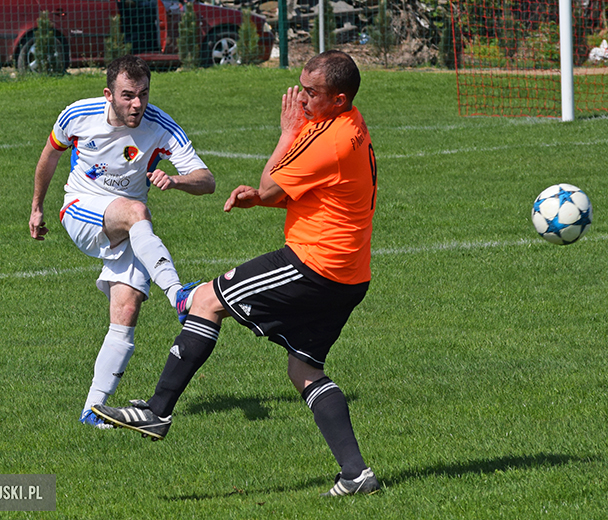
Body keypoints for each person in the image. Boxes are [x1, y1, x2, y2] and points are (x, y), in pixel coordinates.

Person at [93, 50, 380, 497]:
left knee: (206, 299)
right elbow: (300, 192)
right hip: (349, 275)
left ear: (339, 99)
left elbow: (272, 180)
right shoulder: (348, 122)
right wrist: (260, 199)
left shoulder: (333, 139)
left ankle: (158, 410)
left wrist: (286, 135)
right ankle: (356, 474)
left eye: (312, 93)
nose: (302, 99)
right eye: (301, 87)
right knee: (304, 369)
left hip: (314, 264)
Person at [29, 55, 215, 430]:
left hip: (130, 225)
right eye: (128, 95)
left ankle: (92, 411)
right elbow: (50, 154)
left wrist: (177, 181)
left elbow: (206, 180)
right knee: (135, 211)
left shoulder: (160, 126)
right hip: (80, 209)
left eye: (143, 95)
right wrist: (36, 208)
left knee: (126, 311)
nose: (137, 105)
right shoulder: (78, 116)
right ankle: (179, 295)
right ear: (108, 94)